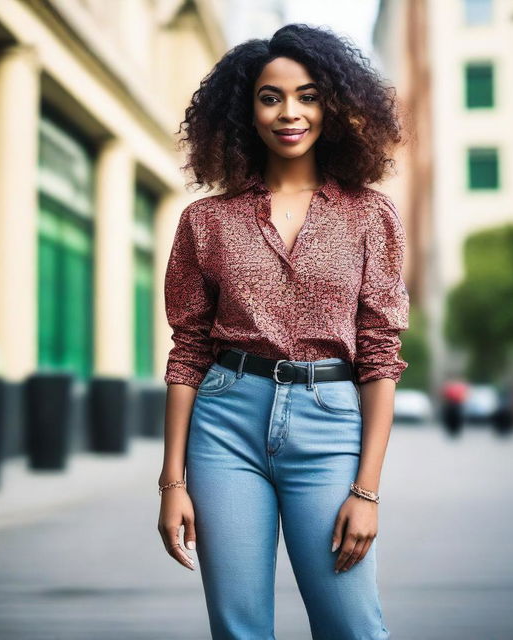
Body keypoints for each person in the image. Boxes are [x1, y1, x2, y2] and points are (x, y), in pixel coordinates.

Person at [158, 23, 409, 640]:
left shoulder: (370, 215)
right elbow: (187, 351)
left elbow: (380, 355)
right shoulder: (205, 221)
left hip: (329, 426)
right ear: (247, 110)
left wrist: (367, 491)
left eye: (308, 95)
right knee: (239, 628)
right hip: (225, 428)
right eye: (270, 97)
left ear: (336, 106)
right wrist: (172, 483)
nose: (289, 112)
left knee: (352, 625)